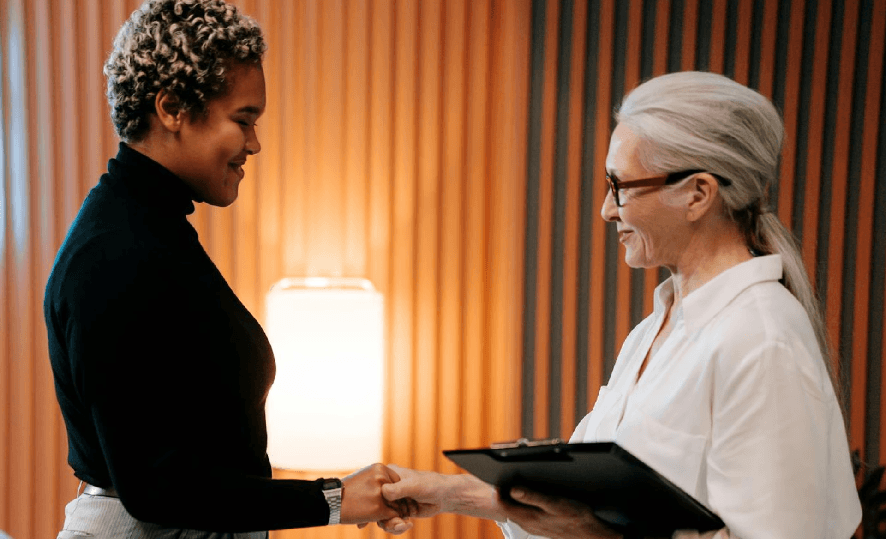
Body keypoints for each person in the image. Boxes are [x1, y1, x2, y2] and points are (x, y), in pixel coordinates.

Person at [374, 71, 862, 538]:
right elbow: (585, 512)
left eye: (621, 187)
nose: (608, 210)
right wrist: (453, 493)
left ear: (697, 194)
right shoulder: (656, 329)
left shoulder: (762, 338)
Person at [44, 1, 403, 537]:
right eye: (244, 120)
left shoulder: (149, 231)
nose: (255, 144)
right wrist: (334, 499)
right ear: (171, 108)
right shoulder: (114, 254)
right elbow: (156, 486)